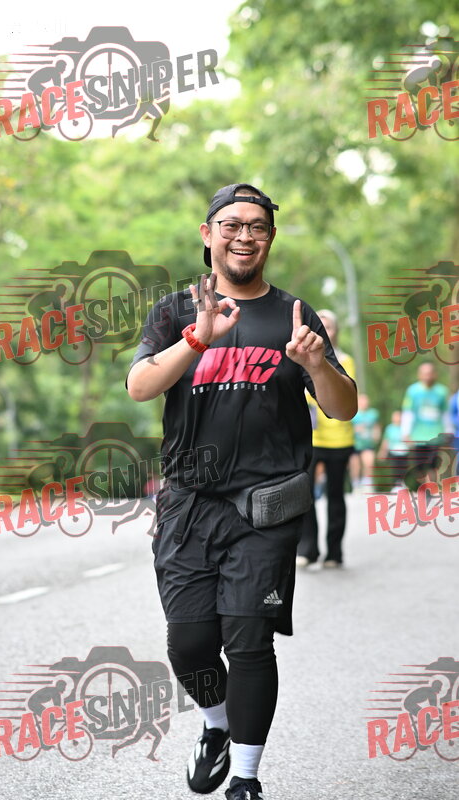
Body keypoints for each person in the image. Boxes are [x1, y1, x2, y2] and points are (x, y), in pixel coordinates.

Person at [126, 183, 357, 800]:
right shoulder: (175, 311)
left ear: (270, 238)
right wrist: (197, 337)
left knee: (248, 638)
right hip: (187, 505)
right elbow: (141, 386)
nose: (244, 235)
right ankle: (216, 725)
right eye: (232, 224)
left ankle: (247, 780)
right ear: (209, 235)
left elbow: (344, 408)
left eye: (257, 225)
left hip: (265, 506)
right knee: (190, 644)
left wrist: (316, 364)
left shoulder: (295, 315)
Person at [296, 310, 356, 569]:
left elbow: (346, 395)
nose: (324, 330)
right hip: (311, 438)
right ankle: (308, 550)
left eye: (328, 326)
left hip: (339, 440)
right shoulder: (299, 358)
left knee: (335, 496)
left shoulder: (345, 360)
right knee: (304, 496)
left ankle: (334, 552)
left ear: (335, 331)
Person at [401, 361, 450, 485]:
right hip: (418, 436)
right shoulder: (413, 391)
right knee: (420, 466)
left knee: (432, 464)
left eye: (430, 373)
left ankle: (430, 489)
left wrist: (448, 431)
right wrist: (405, 433)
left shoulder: (442, 391)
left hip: (436, 435)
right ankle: (423, 487)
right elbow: (408, 413)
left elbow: (445, 414)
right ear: (419, 375)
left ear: (435, 374)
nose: (427, 376)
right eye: (424, 373)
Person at [351, 393, 381, 490]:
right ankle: (355, 484)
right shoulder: (353, 414)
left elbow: (377, 426)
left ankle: (367, 483)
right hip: (354, 444)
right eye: (362, 400)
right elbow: (347, 428)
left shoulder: (373, 413)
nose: (364, 402)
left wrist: (377, 435)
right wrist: (356, 429)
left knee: (369, 463)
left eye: (366, 400)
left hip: (368, 443)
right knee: (355, 466)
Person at [377, 410, 410, 491]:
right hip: (393, 452)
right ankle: (396, 484)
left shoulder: (405, 428)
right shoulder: (389, 428)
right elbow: (386, 441)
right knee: (395, 468)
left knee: (403, 469)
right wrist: (382, 452)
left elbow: (409, 440)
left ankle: (402, 483)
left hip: (404, 452)